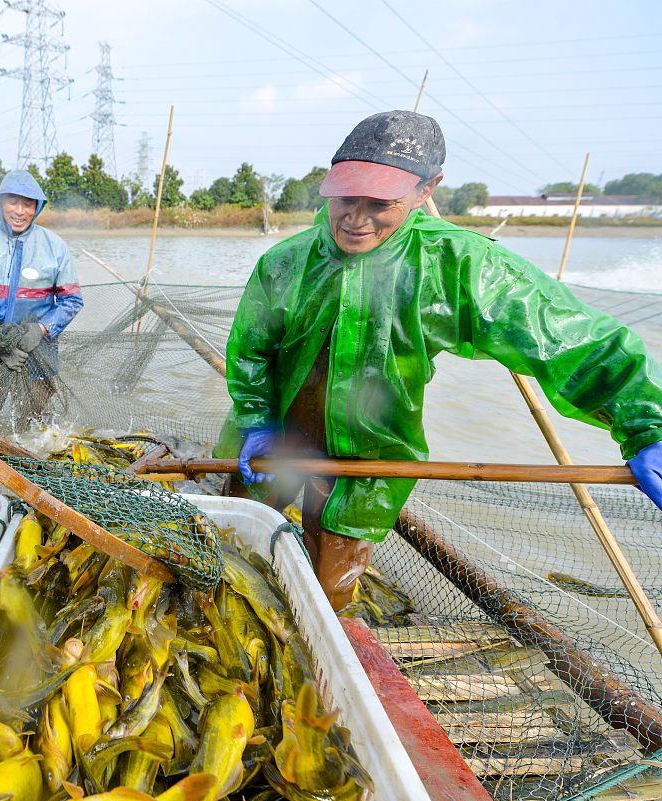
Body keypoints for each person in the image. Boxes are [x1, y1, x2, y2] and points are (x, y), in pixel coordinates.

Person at [218, 110, 662, 610]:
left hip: (369, 456)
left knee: (329, 591)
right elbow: (251, 350)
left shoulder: (459, 264)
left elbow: (569, 338)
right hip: (268, 443)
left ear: (428, 188)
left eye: (381, 202)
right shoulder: (284, 262)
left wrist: (649, 422)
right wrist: (256, 418)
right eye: (345, 197)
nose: (357, 218)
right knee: (231, 554)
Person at [0, 169, 83, 429]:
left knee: (34, 426)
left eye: (28, 203)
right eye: (13, 202)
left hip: (37, 352)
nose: (20, 211)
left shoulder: (55, 245)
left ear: (37, 206)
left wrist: (41, 328)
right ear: (1, 202)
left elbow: (72, 300)